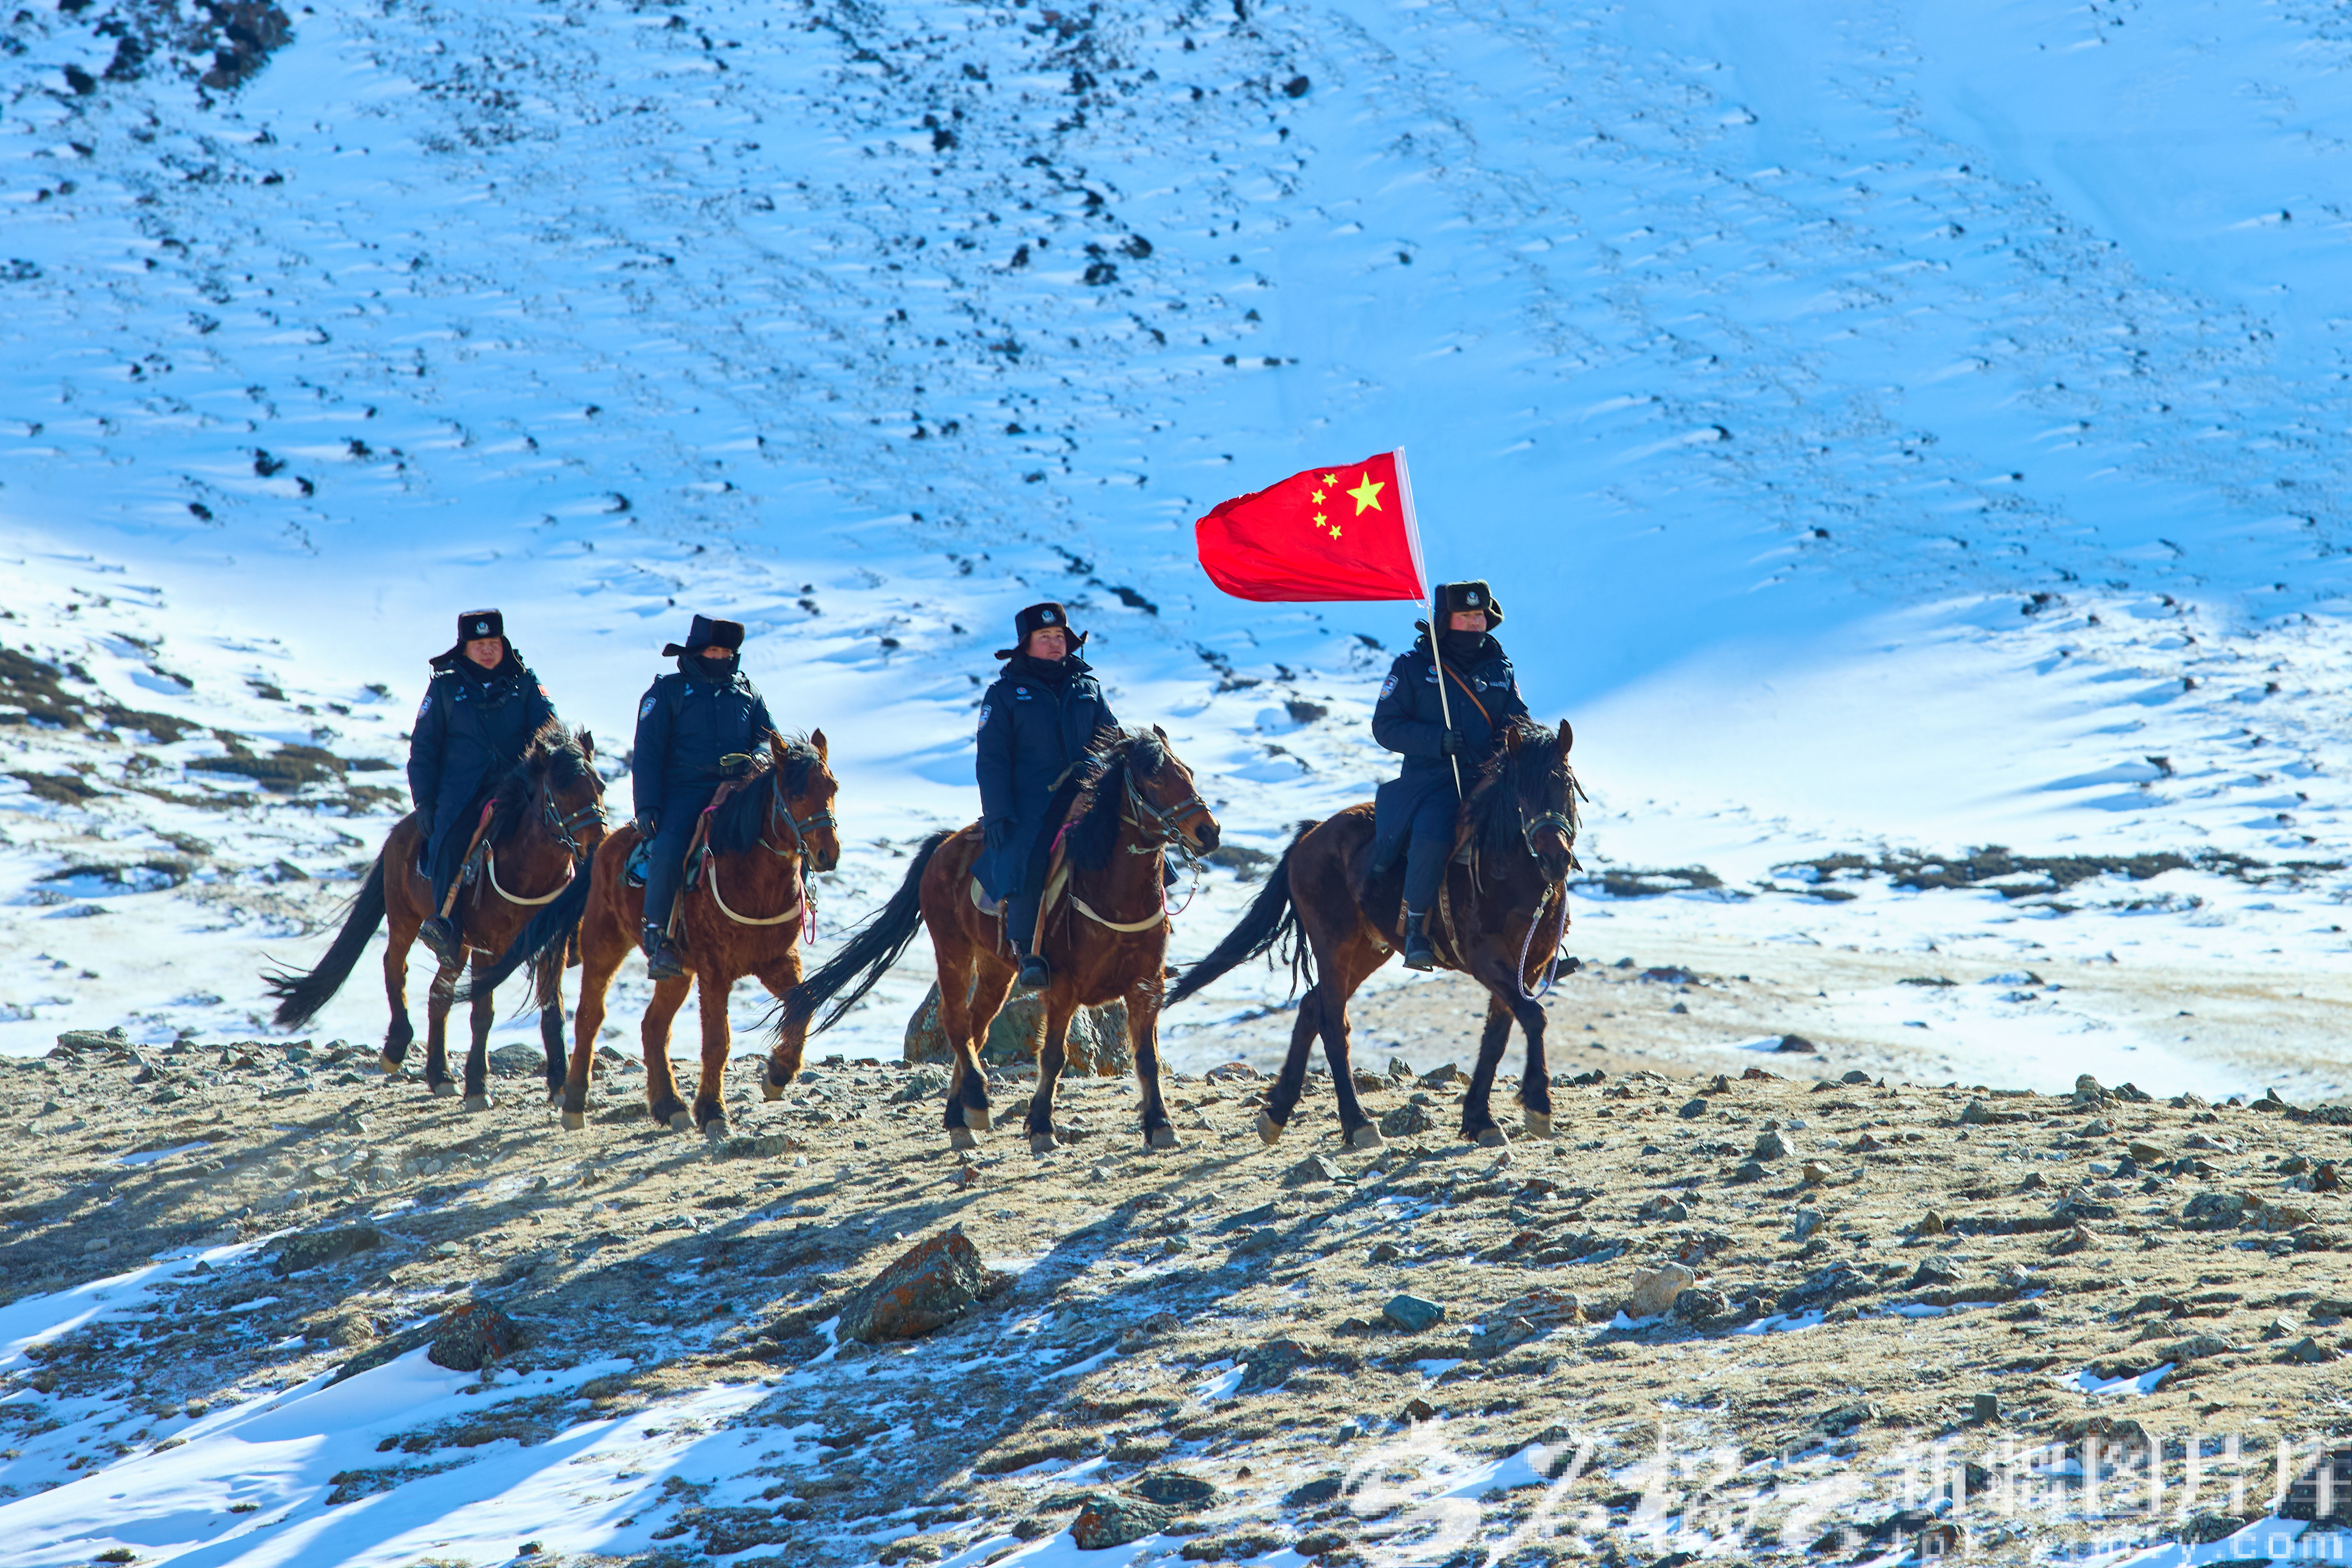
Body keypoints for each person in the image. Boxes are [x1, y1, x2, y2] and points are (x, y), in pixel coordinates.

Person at [1370, 580, 1529, 971]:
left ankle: (1543, 931)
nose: (1476, 623)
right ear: (1445, 620)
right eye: (1466, 615)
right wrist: (1436, 740)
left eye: (1480, 615)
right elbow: (1385, 727)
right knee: (1433, 835)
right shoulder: (1411, 668)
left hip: (1490, 781)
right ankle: (1416, 929)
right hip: (1431, 783)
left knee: (1539, 829)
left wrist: (1521, 743)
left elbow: (1518, 722)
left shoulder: (1501, 668)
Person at [975, 602, 1119, 989]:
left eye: (1060, 637)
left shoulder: (1089, 688)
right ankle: (1029, 953)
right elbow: (992, 761)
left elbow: (1112, 740)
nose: (1056, 644)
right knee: (1030, 856)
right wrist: (998, 814)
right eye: (1045, 637)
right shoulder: (1003, 695)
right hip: (1032, 804)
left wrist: (1099, 781)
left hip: (1088, 792)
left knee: (1138, 843)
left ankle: (1147, 938)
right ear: (1026, 645)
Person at [407, 609, 557, 964]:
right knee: (450, 844)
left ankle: (574, 923)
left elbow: (551, 728)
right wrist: (424, 801)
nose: (487, 650)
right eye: (479, 644)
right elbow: (424, 749)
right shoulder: (444, 688)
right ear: (465, 648)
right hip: (463, 796)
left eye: (493, 643)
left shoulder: (526, 683)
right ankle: (446, 928)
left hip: (520, 793)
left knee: (566, 836)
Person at [630, 615, 775, 981]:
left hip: (738, 791)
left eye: (727, 652)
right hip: (685, 792)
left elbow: (768, 739)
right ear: (696, 651)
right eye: (714, 651)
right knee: (669, 848)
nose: (721, 657)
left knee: (784, 834)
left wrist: (758, 759)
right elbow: (648, 752)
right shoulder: (667, 692)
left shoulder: (748, 693)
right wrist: (647, 805)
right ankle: (658, 936)